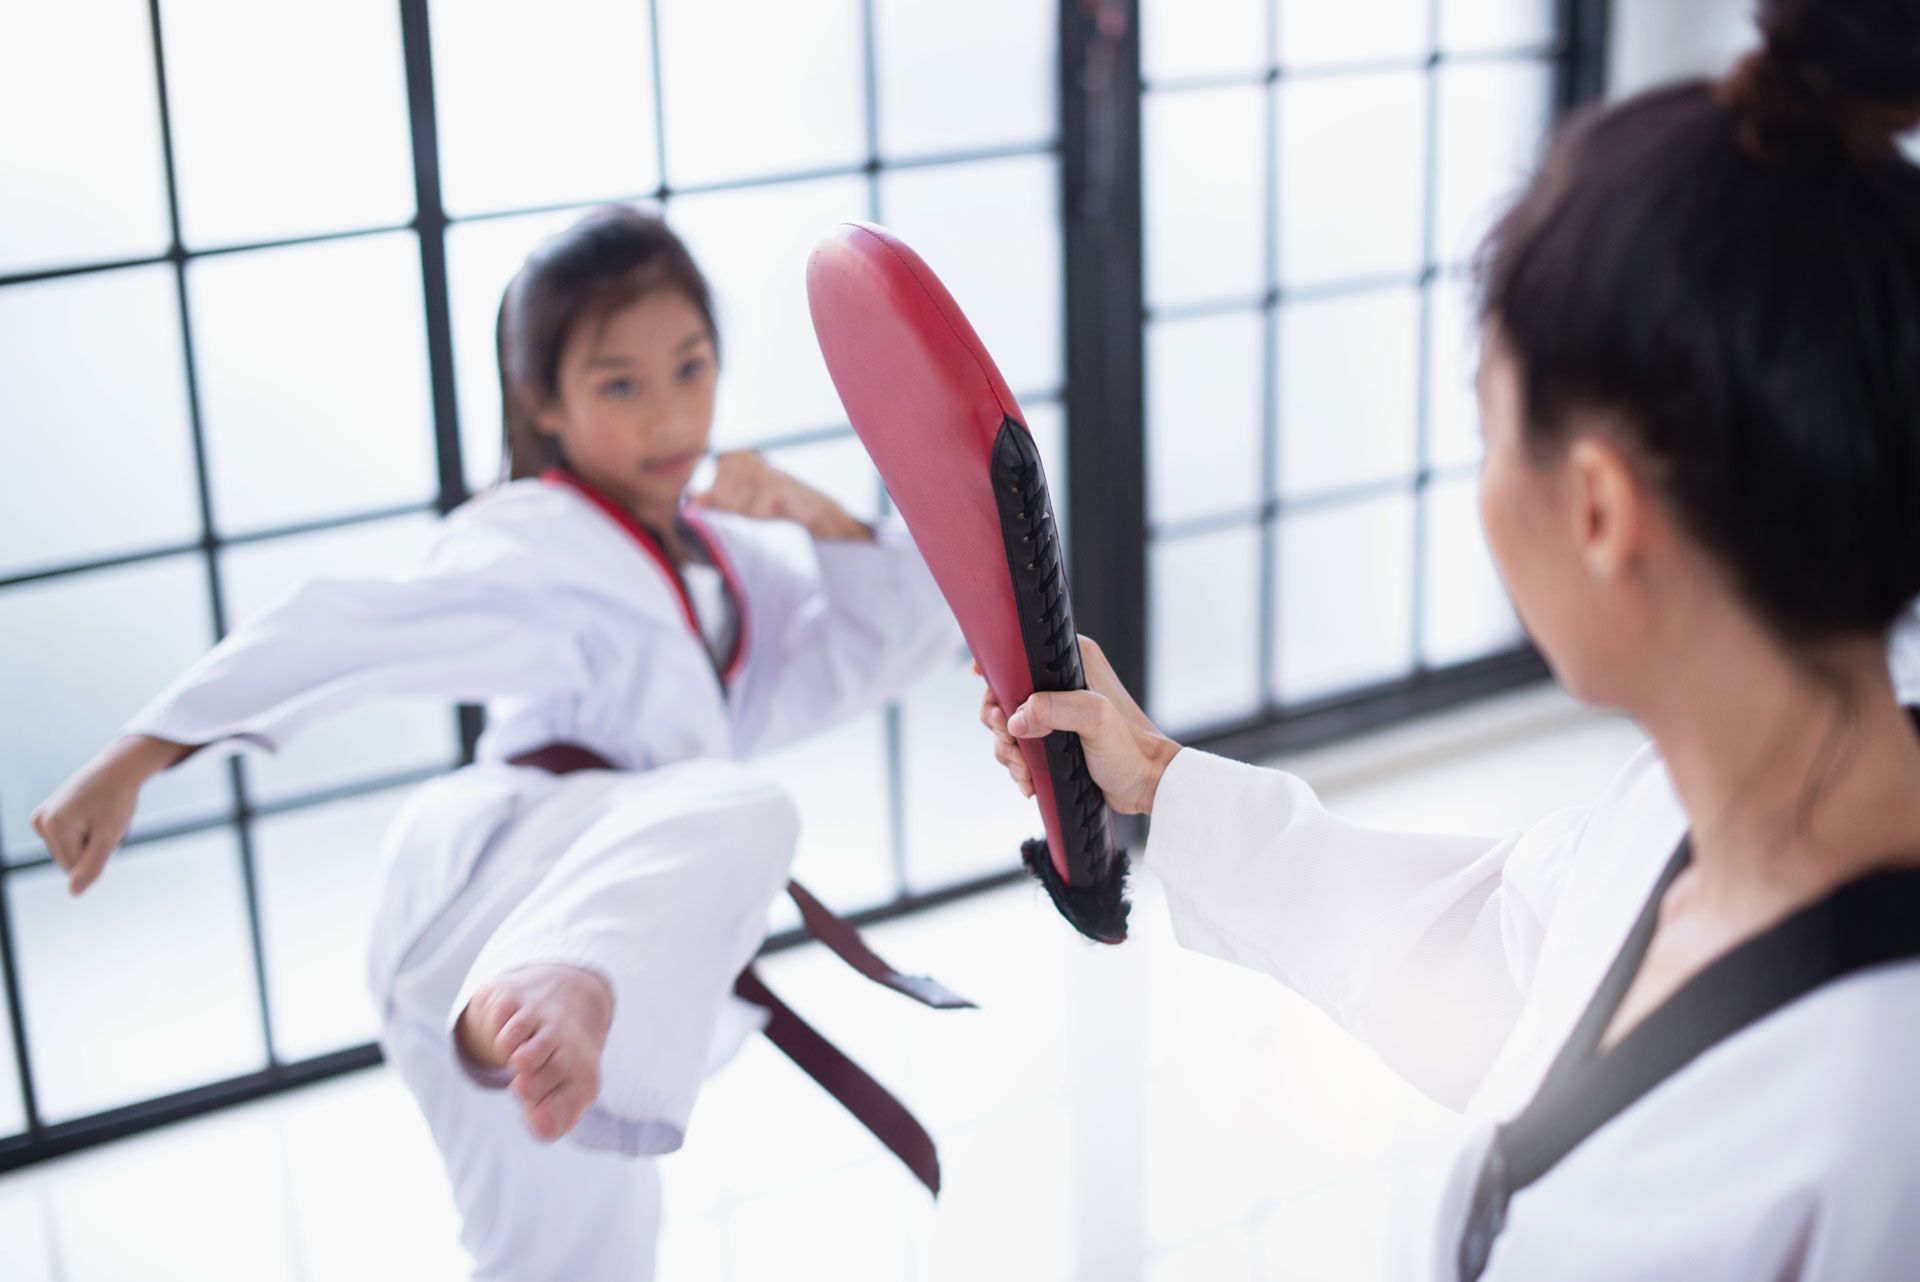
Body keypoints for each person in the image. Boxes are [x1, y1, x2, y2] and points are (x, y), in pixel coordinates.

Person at [982, 2, 1920, 1276]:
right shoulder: (1683, 809)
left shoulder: (1881, 1122)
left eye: (1489, 432)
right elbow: (1483, 960)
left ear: (1596, 507)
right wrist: (1160, 781)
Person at [31, 204, 961, 1281]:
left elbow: (883, 646)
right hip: (495, 887)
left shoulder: (722, 560)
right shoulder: (537, 539)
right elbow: (354, 622)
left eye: (691, 367)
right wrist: (141, 749)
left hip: (603, 921)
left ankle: (559, 988)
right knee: (731, 804)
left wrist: (822, 518)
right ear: (545, 403)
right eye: (621, 383)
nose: (670, 414)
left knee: (584, 1253)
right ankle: (548, 973)